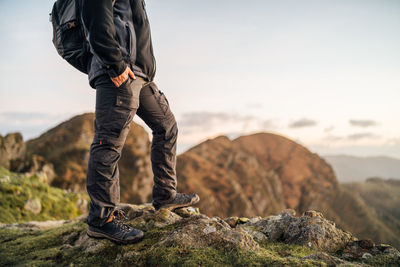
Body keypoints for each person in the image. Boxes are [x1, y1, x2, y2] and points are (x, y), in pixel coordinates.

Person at [81, 0, 199, 244]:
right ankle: (101, 220)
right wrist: (114, 64)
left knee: (167, 127)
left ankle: (166, 195)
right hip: (117, 71)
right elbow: (95, 16)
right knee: (108, 143)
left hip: (140, 75)